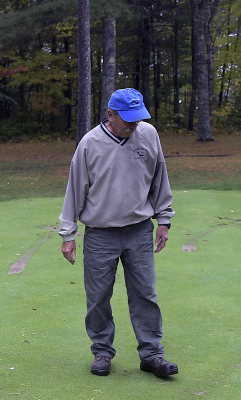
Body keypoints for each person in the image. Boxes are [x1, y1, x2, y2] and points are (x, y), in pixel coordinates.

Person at [59, 88, 178, 379]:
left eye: (138, 119)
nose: (134, 125)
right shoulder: (90, 144)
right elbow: (75, 189)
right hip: (100, 234)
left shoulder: (148, 134)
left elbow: (159, 178)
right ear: (110, 114)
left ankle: (151, 355)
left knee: (145, 294)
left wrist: (164, 219)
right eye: (128, 120)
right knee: (98, 297)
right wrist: (68, 233)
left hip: (139, 230)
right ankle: (102, 351)